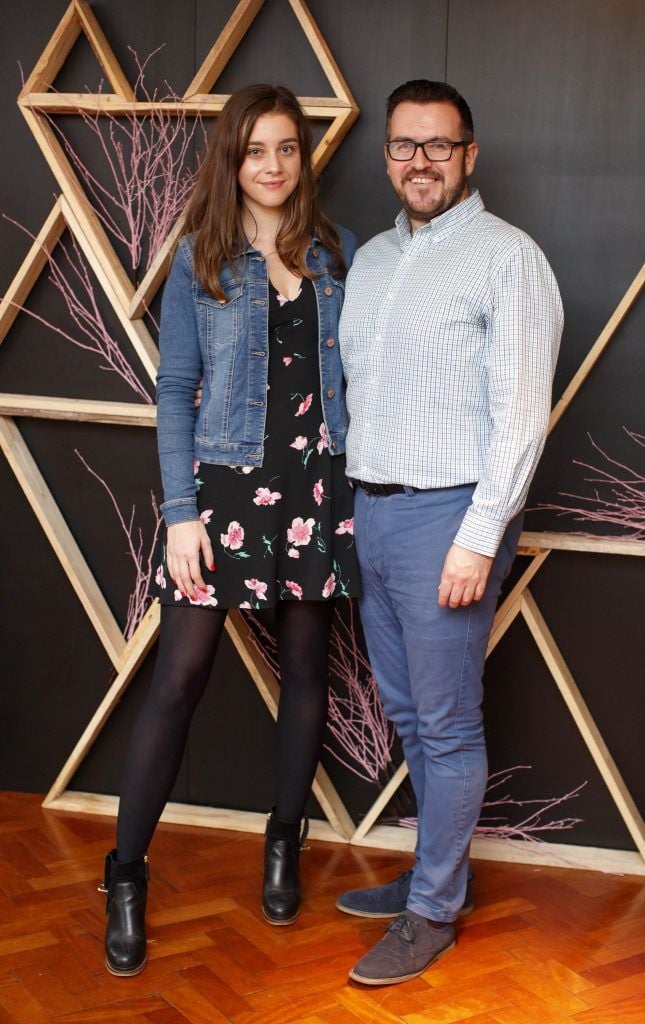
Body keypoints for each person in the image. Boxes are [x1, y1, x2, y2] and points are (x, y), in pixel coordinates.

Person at [100, 83, 360, 977]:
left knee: (303, 672)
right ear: (232, 159)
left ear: (303, 156)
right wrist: (178, 515)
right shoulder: (199, 258)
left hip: (314, 486)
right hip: (223, 490)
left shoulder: (338, 253)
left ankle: (283, 840)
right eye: (256, 150)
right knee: (179, 676)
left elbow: (360, 371)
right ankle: (126, 874)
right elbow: (174, 393)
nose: (273, 166)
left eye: (287, 148)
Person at [336, 80, 563, 986]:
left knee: (445, 723)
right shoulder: (374, 261)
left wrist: (477, 535)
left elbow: (519, 418)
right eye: (403, 145)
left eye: (438, 145)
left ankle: (431, 911)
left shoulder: (508, 259)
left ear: (469, 154)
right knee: (404, 716)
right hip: (375, 510)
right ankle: (441, 877)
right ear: (387, 155)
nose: (419, 161)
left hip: (449, 516)